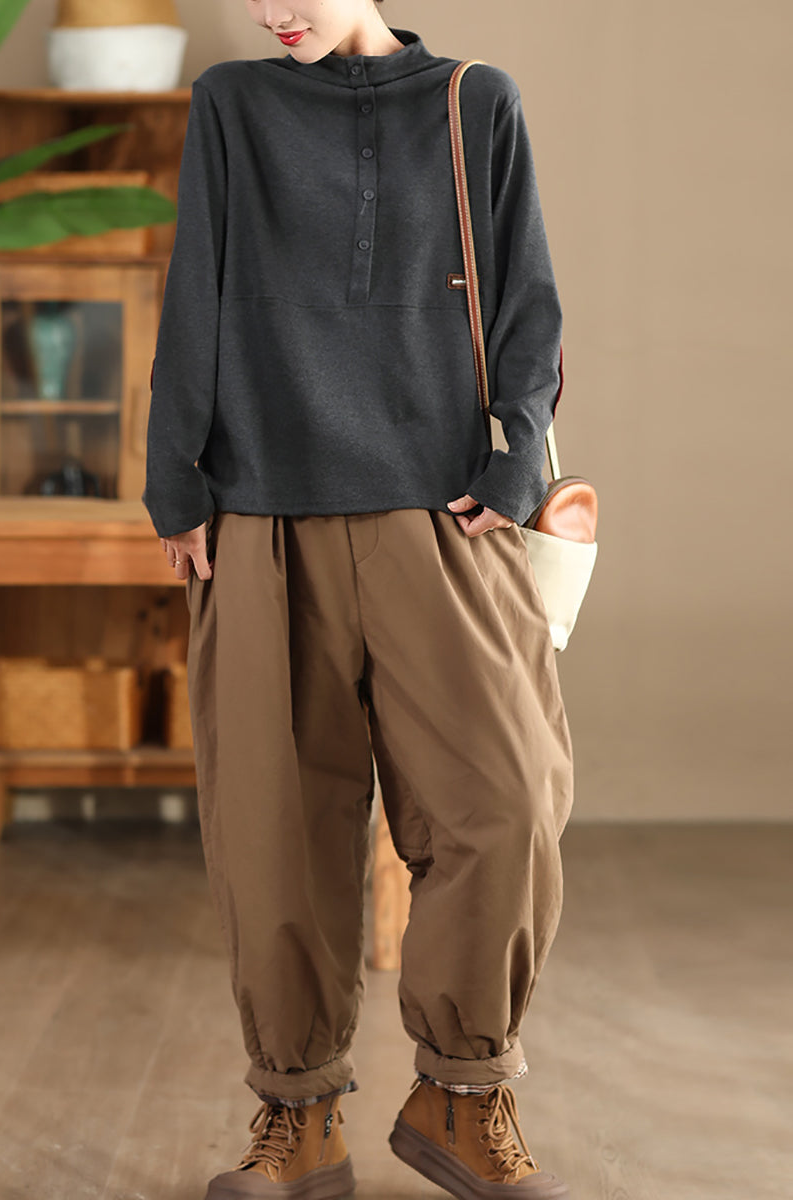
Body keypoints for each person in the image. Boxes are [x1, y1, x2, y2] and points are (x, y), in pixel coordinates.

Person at [142, 1, 574, 1196]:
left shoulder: (476, 101)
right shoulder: (232, 105)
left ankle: (462, 1095)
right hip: (260, 514)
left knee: (507, 805)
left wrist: (517, 453)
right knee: (274, 837)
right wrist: (173, 477)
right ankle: (301, 1119)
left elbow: (530, 298)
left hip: (442, 513)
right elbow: (195, 286)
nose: (270, 10)